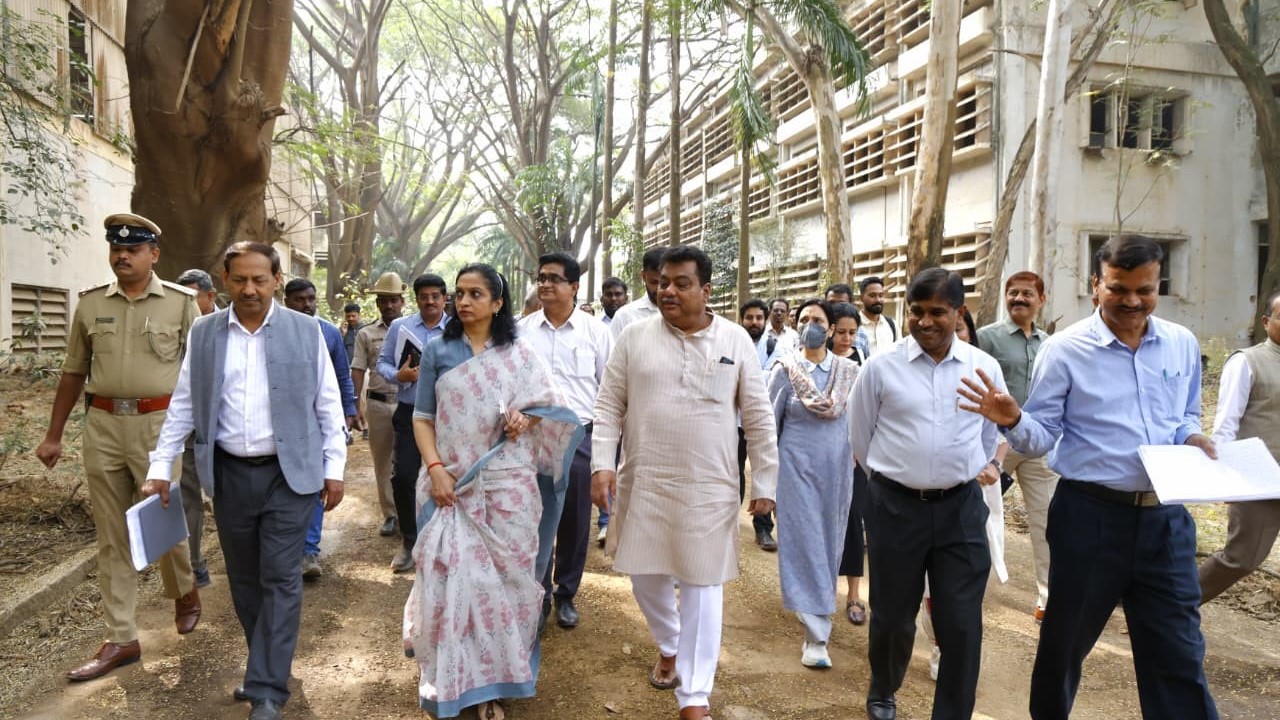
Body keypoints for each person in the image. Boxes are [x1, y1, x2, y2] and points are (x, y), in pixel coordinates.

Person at [959, 234, 1220, 720]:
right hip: (1089, 518)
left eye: (1145, 289)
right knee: (1065, 644)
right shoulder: (1065, 350)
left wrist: (1192, 438)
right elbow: (1040, 439)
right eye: (1119, 288)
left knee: (1179, 650)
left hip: (1165, 520)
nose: (1133, 301)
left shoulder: (1181, 344)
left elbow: (1185, 415)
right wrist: (1012, 419)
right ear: (1096, 285)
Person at [143, 241, 347, 720]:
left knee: (279, 575)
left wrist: (334, 467)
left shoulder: (307, 331)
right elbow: (185, 403)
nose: (250, 289)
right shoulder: (206, 333)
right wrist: (160, 466)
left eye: (260, 279)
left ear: (277, 279)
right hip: (229, 473)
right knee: (245, 581)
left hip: (289, 475)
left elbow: (327, 401)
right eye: (241, 280)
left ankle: (267, 689)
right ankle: (266, 666)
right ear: (225, 281)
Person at [591, 245, 779, 720]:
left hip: (710, 484)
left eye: (680, 283)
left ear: (706, 290)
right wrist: (602, 464)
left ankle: (694, 695)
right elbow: (609, 405)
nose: (667, 290)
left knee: (702, 583)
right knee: (644, 577)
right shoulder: (634, 337)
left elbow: (758, 417)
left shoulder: (735, 340)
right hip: (647, 479)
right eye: (662, 282)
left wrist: (765, 482)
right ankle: (671, 643)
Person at [405, 263, 583, 720]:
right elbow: (422, 418)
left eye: (475, 294)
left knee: (502, 585)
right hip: (452, 486)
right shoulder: (438, 351)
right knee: (450, 580)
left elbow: (547, 406)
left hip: (510, 486)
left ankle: (490, 688)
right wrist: (437, 469)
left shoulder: (521, 353)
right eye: (458, 294)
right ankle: (449, 680)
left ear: (497, 303)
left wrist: (526, 419)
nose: (462, 302)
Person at [36, 213, 201, 682]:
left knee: (161, 521)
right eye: (116, 249)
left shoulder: (181, 303)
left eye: (132, 249)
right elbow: (73, 371)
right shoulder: (90, 305)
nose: (122, 255)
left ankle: (184, 588)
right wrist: (53, 435)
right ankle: (122, 637)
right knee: (112, 535)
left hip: (159, 425)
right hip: (103, 423)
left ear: (154, 255)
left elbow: (202, 372)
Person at [850, 268, 1005, 720]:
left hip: (960, 510)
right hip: (894, 508)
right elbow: (861, 439)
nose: (925, 321)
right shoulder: (881, 367)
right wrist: (898, 481)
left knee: (959, 622)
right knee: (894, 616)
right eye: (916, 311)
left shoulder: (983, 367)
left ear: (959, 312)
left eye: (938, 312)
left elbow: (991, 430)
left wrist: (974, 468)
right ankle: (884, 688)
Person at [518, 252, 614, 630]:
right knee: (533, 516)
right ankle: (536, 594)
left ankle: (566, 593)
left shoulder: (596, 333)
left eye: (554, 279)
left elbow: (608, 390)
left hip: (579, 435)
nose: (544, 284)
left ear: (574, 287)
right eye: (541, 278)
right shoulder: (521, 331)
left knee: (574, 518)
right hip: (531, 437)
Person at [917, 304, 1010, 683]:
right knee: (931, 583)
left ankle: (950, 647)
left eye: (962, 331)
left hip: (976, 495)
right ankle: (938, 641)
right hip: (925, 497)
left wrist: (994, 466)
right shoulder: (916, 375)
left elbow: (1002, 430)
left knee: (965, 580)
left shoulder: (985, 369)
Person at [768, 298, 859, 670]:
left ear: (832, 327)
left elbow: (863, 423)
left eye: (818, 319)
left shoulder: (851, 372)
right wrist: (764, 478)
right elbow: (767, 426)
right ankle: (816, 635)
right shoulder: (784, 371)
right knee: (803, 544)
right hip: (795, 470)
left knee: (829, 544)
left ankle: (816, 616)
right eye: (803, 319)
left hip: (838, 471)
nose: (810, 325)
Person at [976, 270, 1055, 620]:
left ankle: (1049, 599)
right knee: (978, 514)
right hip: (994, 444)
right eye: (1013, 293)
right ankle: (970, 587)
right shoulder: (987, 339)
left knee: (1047, 522)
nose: (1018, 299)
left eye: (1027, 294)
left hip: (1037, 444)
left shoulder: (1050, 344)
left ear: (1041, 299)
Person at [1199, 290, 1280, 603]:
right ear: (1265, 321)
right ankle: (1171, 606)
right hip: (1258, 481)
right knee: (1241, 559)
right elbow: (1226, 425)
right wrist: (1225, 478)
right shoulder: (1247, 362)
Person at [283, 278, 358, 580]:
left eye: (311, 298)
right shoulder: (276, 331)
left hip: (318, 422)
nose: (307, 304)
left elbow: (342, 374)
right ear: (286, 300)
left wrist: (349, 411)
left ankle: (309, 550)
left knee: (315, 484)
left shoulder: (327, 332)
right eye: (300, 299)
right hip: (285, 423)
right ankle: (286, 548)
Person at [377, 273, 450, 573]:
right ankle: (410, 540)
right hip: (409, 412)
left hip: (447, 418)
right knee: (404, 477)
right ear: (416, 299)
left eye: (436, 296)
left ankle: (445, 543)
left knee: (447, 479)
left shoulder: (458, 329)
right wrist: (399, 376)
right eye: (425, 296)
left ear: (445, 298)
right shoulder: (400, 327)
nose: (430, 301)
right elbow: (381, 362)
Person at [351, 272, 407, 537]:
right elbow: (358, 369)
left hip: (409, 404)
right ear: (378, 304)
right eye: (384, 301)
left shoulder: (413, 329)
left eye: (393, 300)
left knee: (409, 461)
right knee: (383, 461)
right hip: (378, 405)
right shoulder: (366, 333)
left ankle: (412, 512)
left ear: (402, 301)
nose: (389, 305)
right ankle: (391, 514)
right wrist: (354, 405)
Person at [175, 268, 219, 588]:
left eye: (192, 298)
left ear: (210, 296)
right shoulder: (175, 325)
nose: (186, 304)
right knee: (188, 495)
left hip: (229, 429)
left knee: (232, 495)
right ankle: (194, 563)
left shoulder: (230, 324)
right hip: (192, 428)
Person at [829, 302, 868, 626]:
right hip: (822, 458)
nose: (846, 338)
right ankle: (821, 591)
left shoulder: (866, 365)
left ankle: (854, 594)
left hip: (856, 460)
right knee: (824, 525)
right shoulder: (817, 364)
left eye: (852, 333)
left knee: (854, 525)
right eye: (840, 332)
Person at [737, 298, 777, 551]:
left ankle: (763, 528)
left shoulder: (776, 346)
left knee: (765, 469)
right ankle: (729, 521)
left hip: (764, 420)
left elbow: (773, 380)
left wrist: (748, 378)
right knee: (734, 472)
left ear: (766, 320)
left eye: (759, 318)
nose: (754, 322)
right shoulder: (733, 343)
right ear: (742, 319)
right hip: (735, 422)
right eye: (750, 318)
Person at [609, 246, 665, 338]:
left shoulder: (685, 313)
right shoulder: (625, 316)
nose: (659, 289)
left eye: (664, 283)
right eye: (654, 282)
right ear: (643, 276)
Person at [859, 276, 899, 356]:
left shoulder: (892, 325)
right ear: (861, 298)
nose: (878, 300)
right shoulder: (855, 325)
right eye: (872, 295)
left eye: (881, 295)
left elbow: (899, 354)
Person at [761, 297, 798, 369]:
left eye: (782, 311)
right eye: (776, 310)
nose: (779, 313)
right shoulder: (761, 334)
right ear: (769, 312)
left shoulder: (794, 335)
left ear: (787, 314)